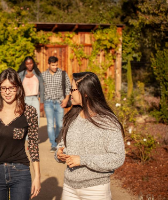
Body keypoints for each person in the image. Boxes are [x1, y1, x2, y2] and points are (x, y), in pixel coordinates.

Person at [54, 72, 125, 200]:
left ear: (85, 92)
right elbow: (63, 143)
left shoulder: (108, 121)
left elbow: (117, 157)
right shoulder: (72, 117)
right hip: (69, 188)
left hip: (95, 191)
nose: (70, 93)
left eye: (73, 89)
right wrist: (59, 152)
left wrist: (83, 160)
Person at [0, 68, 41, 200]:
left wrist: (37, 177)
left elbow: (34, 145)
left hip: (20, 171)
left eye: (11, 88)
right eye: (4, 88)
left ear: (18, 88)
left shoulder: (29, 112)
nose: (7, 92)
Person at [42, 56, 71, 152]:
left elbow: (68, 87)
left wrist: (66, 99)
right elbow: (40, 89)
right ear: (48, 65)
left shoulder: (62, 74)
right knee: (50, 124)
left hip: (60, 102)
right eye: (53, 65)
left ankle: (56, 139)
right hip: (48, 102)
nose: (55, 67)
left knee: (59, 124)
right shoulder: (43, 75)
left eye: (56, 65)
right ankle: (53, 145)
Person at [17, 56, 44, 125]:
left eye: (31, 63)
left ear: (33, 64)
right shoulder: (20, 75)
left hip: (35, 99)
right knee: (25, 120)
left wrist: (41, 102)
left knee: (36, 121)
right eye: (27, 64)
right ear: (25, 65)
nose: (29, 65)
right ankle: (26, 136)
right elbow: (18, 88)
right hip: (25, 100)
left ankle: (34, 135)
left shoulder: (38, 74)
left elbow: (42, 88)